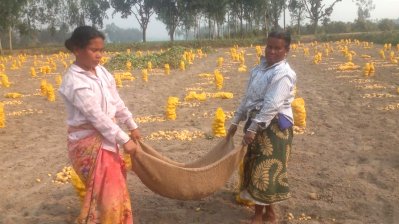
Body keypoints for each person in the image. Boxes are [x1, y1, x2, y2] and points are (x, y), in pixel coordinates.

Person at [59, 26, 140, 224]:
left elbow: (116, 102)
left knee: (113, 191)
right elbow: (97, 117)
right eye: (94, 50)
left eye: (101, 50)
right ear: (77, 50)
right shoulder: (75, 81)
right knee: (109, 194)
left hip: (107, 137)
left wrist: (132, 124)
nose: (99, 55)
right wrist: (124, 139)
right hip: (88, 144)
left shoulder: (102, 73)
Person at [227, 30, 296, 224]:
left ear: (286, 50)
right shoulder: (258, 70)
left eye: (277, 48)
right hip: (255, 122)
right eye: (269, 46)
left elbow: (272, 105)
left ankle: (261, 215)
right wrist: (236, 121)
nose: (272, 51)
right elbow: (248, 98)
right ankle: (266, 213)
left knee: (264, 171)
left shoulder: (284, 74)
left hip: (274, 128)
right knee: (253, 166)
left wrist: (252, 129)